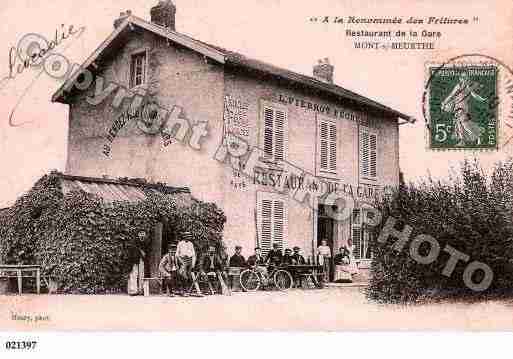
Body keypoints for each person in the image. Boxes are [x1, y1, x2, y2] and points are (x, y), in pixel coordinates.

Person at [441, 71, 487, 146]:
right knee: (459, 124)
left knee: (464, 124)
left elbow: (475, 95)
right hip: (456, 107)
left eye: (466, 78)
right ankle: (462, 141)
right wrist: (444, 102)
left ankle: (478, 136)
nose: (465, 79)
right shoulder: (458, 86)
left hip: (463, 107)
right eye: (463, 78)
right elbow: (451, 95)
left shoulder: (468, 87)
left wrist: (482, 99)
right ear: (460, 79)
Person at [175, 231, 196, 297]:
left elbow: (193, 254)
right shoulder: (180, 243)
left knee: (189, 276)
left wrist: (193, 263)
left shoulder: (191, 244)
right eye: (186, 236)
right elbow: (177, 254)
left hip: (189, 260)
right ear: (184, 237)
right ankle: (182, 290)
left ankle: (187, 290)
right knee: (182, 274)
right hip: (182, 260)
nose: (188, 237)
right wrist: (179, 262)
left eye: (189, 236)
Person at [128, 230, 147, 296]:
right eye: (141, 233)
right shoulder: (134, 242)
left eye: (143, 234)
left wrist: (144, 254)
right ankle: (133, 290)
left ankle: (141, 290)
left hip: (142, 260)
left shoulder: (146, 242)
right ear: (138, 234)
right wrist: (140, 251)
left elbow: (147, 251)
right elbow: (133, 250)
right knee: (134, 274)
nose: (142, 235)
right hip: (135, 260)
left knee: (141, 274)